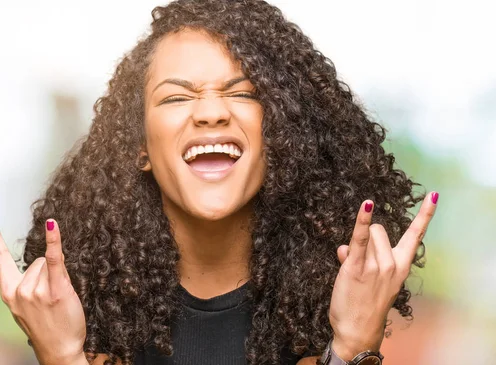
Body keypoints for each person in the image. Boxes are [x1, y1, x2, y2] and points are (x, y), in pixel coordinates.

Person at [0, 0, 439, 364]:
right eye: (175, 97)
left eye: (243, 92)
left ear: (281, 135)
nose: (211, 111)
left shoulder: (334, 306)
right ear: (140, 148)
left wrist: (352, 348)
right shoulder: (88, 314)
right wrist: (61, 356)